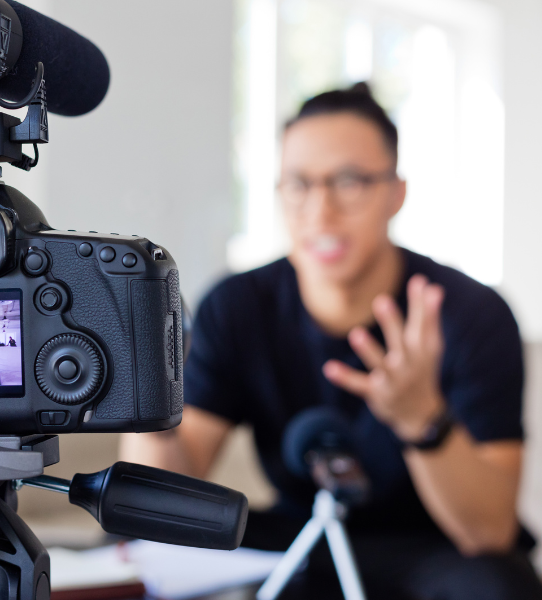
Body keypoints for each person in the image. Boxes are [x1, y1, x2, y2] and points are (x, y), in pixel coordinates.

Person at [121, 83, 542, 599]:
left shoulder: (471, 313)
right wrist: (148, 393)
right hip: (300, 535)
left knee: (499, 584)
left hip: (436, 549)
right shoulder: (238, 305)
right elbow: (160, 507)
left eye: (349, 181)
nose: (320, 211)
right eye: (299, 184)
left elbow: (489, 532)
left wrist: (423, 419)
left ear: (396, 193)